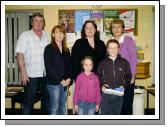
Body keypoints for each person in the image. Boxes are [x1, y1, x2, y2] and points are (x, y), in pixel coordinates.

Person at [15, 13, 50, 115]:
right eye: (36, 21)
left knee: (46, 102)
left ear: (44, 23)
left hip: (46, 75)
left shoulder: (48, 36)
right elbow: (19, 54)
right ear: (32, 23)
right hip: (30, 75)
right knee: (28, 102)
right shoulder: (25, 35)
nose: (38, 23)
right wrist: (23, 73)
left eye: (41, 21)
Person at [110, 19, 138, 115]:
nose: (116, 29)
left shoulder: (128, 40)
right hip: (114, 79)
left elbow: (134, 58)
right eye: (114, 27)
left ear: (123, 29)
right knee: (116, 103)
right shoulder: (110, 42)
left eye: (119, 27)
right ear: (111, 29)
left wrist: (133, 75)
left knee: (126, 103)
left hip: (127, 77)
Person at [97, 39, 132, 115]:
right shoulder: (102, 63)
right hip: (106, 94)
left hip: (118, 94)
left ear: (118, 49)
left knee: (116, 114)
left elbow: (128, 75)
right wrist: (102, 85)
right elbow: (98, 75)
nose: (113, 50)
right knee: (105, 114)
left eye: (115, 48)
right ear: (107, 49)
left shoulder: (124, 62)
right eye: (110, 48)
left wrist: (123, 85)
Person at [44, 25, 72, 115]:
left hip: (65, 83)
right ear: (53, 34)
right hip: (54, 83)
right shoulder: (49, 48)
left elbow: (69, 66)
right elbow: (49, 67)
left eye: (62, 33)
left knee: (62, 106)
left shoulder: (66, 50)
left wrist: (69, 79)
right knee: (54, 107)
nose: (60, 35)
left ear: (64, 35)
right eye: (57, 32)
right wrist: (60, 80)